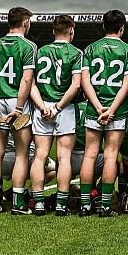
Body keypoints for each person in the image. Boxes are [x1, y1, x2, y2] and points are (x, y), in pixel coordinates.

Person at [80, 10, 128, 217]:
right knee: (111, 155)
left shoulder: (91, 49)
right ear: (122, 28)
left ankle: (85, 205)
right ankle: (105, 205)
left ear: (104, 26)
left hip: (94, 109)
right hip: (117, 111)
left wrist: (97, 106)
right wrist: (111, 109)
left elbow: (85, 81)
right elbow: (126, 83)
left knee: (90, 154)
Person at [0, 6, 36, 215]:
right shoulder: (28, 46)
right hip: (16, 101)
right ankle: (17, 202)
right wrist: (19, 107)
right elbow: (26, 79)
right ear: (24, 22)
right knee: (22, 154)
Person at [29, 14, 83, 216]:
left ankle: (39, 203)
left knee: (40, 155)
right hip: (64, 108)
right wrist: (58, 107)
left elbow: (31, 83)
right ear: (71, 30)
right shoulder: (76, 53)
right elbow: (76, 84)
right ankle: (61, 204)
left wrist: (43, 106)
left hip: (41, 108)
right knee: (64, 156)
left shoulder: (40, 52)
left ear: (53, 31)